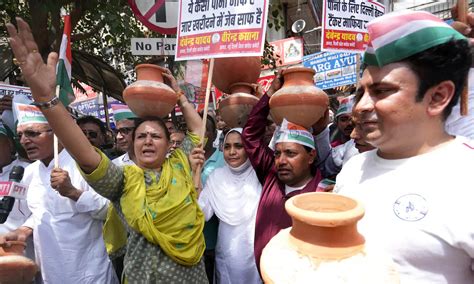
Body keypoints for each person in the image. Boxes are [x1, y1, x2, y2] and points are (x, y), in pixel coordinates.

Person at [6, 18, 208, 282]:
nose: (147, 140)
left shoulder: (181, 164)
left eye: (156, 136)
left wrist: (179, 95)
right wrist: (48, 100)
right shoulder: (124, 180)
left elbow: (197, 129)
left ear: (170, 144)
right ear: (132, 146)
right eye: (141, 136)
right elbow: (86, 155)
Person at [334, 11, 474, 283]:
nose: (361, 107)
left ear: (437, 97)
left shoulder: (467, 176)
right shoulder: (352, 170)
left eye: (381, 91)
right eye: (360, 93)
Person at [6, 101, 117, 283]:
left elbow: (110, 211)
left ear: (57, 133)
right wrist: (24, 230)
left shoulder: (86, 164)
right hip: (50, 274)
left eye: (33, 133)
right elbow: (41, 212)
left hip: (89, 273)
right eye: (20, 135)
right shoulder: (29, 172)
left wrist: (73, 192)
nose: (25, 141)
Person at [241, 77, 328, 269]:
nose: (281, 161)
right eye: (278, 153)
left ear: (311, 156)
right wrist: (270, 93)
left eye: (291, 153)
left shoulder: (324, 194)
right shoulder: (271, 175)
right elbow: (250, 136)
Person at [191, 128, 262, 283]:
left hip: (255, 256)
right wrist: (192, 175)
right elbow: (200, 213)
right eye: (227, 146)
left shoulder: (260, 177)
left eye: (238, 146)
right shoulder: (216, 177)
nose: (232, 152)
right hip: (227, 254)